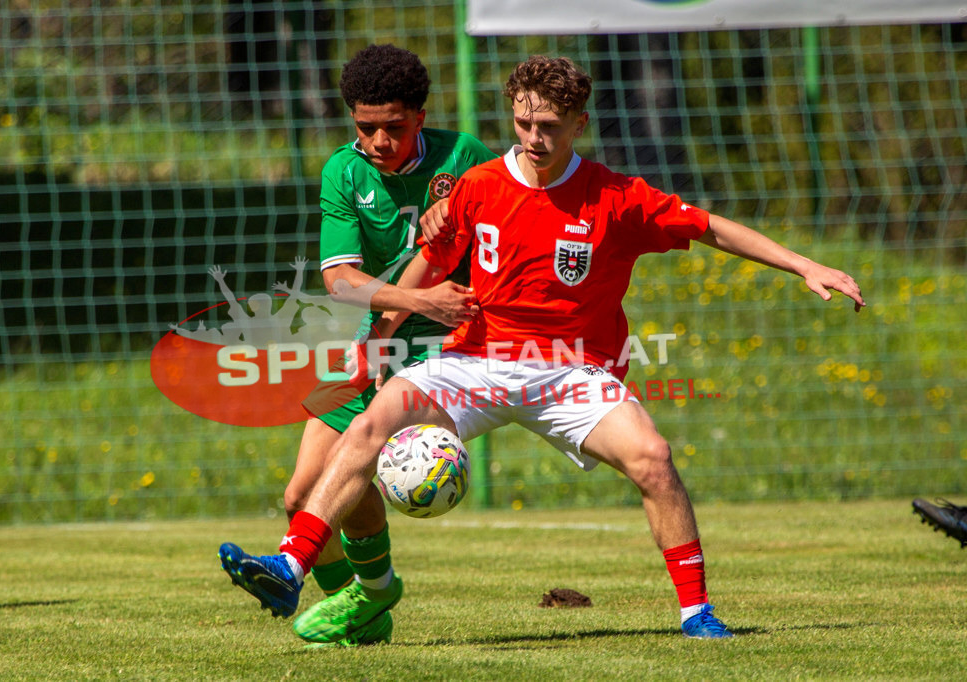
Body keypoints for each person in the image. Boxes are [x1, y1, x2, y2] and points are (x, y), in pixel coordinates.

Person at [221, 55, 866, 643]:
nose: (534, 138)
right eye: (525, 122)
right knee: (370, 423)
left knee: (653, 458)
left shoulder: (615, 197)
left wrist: (804, 264)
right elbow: (428, 261)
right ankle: (289, 565)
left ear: (579, 124)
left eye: (550, 125)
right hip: (476, 359)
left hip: (571, 371)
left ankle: (697, 614)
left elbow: (709, 228)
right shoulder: (476, 186)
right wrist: (381, 337)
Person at [218, 44, 495, 646]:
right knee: (298, 497)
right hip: (380, 337)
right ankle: (371, 597)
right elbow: (340, 281)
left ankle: (357, 595)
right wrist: (418, 302)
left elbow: (512, 222)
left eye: (393, 127)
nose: (377, 141)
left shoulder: (466, 156)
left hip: (455, 346)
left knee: (350, 461)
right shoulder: (343, 171)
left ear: (420, 116)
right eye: (364, 127)